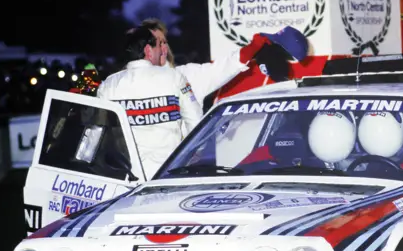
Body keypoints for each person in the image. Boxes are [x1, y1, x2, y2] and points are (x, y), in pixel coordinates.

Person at [97, 26, 204, 179]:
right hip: (169, 174)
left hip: (127, 178)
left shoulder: (109, 85)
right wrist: (193, 158)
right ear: (148, 50)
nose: (162, 51)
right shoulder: (174, 77)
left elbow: (98, 134)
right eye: (159, 46)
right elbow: (196, 122)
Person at [140, 18, 274, 102]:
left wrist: (253, 47)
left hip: (185, 148)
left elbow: (224, 67)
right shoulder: (127, 84)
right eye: (153, 43)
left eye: (163, 42)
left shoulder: (187, 76)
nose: (161, 47)